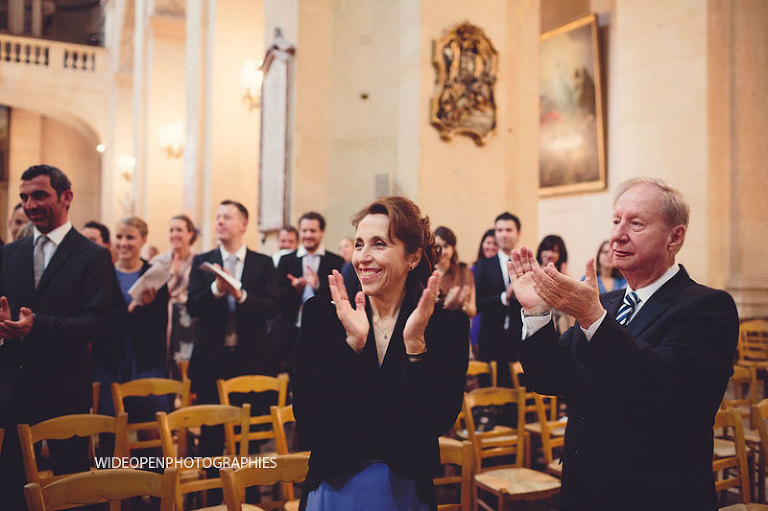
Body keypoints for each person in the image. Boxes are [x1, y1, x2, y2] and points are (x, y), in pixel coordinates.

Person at [510, 178, 738, 510]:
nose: (618, 234)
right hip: (584, 490)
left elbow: (661, 388)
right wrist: (536, 312)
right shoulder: (611, 303)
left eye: (635, 223)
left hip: (654, 493)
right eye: (616, 221)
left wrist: (592, 318)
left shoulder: (707, 307)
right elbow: (551, 378)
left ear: (675, 236)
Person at [294, 196, 468, 510]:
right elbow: (308, 417)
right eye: (359, 244)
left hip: (405, 490)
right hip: (335, 485)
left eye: (379, 244)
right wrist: (352, 345)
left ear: (412, 258)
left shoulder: (444, 326)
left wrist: (416, 348)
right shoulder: (323, 316)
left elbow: (438, 418)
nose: (363, 257)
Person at [0, 165, 116, 508]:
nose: (29, 205)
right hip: (17, 388)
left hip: (66, 387)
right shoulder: (10, 253)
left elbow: (97, 323)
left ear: (66, 197)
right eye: (23, 197)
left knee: (72, 487)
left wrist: (38, 325)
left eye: (39, 195)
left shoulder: (93, 256)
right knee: (11, 487)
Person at [187, 200, 279, 461]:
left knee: (247, 434)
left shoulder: (262, 263)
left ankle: (248, 496)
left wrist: (242, 297)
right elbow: (192, 307)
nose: (219, 222)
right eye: (217, 217)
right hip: (211, 360)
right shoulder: (203, 261)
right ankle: (213, 496)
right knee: (212, 433)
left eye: (227, 217)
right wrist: (216, 290)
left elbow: (272, 307)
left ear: (243, 224)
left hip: (250, 359)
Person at [100, 216, 170, 418]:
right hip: (110, 359)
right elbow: (101, 322)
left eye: (130, 237)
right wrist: (131, 309)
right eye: (119, 237)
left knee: (152, 427)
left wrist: (145, 308)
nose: (123, 243)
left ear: (143, 239)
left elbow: (160, 325)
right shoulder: (104, 273)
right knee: (111, 426)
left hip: (145, 359)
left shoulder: (154, 275)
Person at [277, 212, 344, 373]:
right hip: (292, 327)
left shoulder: (335, 261)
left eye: (312, 231)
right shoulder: (286, 260)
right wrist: (295, 289)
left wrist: (318, 285)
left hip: (324, 330)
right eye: (304, 230)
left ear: (322, 232)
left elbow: (341, 296)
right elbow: (277, 296)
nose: (308, 235)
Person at [474, 212, 523, 387]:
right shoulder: (484, 265)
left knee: (516, 399)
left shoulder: (525, 264)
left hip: (517, 340)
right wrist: (504, 297)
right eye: (499, 230)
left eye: (508, 229)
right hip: (491, 339)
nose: (503, 234)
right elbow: (477, 304)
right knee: (490, 395)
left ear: (518, 233)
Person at [151, 214, 199, 373]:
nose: (174, 234)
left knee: (186, 370)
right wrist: (173, 276)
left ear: (190, 234)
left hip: (189, 322)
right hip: (163, 320)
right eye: (171, 230)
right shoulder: (159, 261)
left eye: (179, 230)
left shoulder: (198, 261)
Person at [434, 226, 476, 318]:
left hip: (456, 326)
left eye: (445, 246)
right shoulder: (425, 272)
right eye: (437, 246)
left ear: (453, 248)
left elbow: (472, 312)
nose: (441, 251)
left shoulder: (464, 272)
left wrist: (462, 303)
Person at [535, 234, 573, 334]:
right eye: (546, 250)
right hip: (538, 324)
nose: (549, 254)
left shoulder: (565, 276)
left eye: (554, 251)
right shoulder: (533, 274)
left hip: (562, 329)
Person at [470, 229, 497, 359]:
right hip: (478, 322)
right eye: (488, 243)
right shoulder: (474, 269)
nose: (491, 247)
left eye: (495, 243)